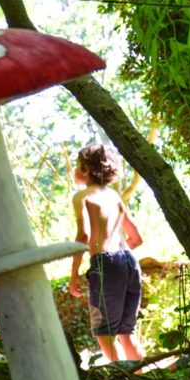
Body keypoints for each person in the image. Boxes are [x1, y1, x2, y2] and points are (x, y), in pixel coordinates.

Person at [68, 144, 145, 364]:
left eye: (77, 164)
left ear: (85, 169)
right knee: (126, 334)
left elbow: (82, 236)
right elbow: (137, 238)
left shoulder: (82, 196)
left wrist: (75, 273)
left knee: (105, 334)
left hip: (104, 263)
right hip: (130, 261)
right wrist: (120, 263)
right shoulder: (114, 196)